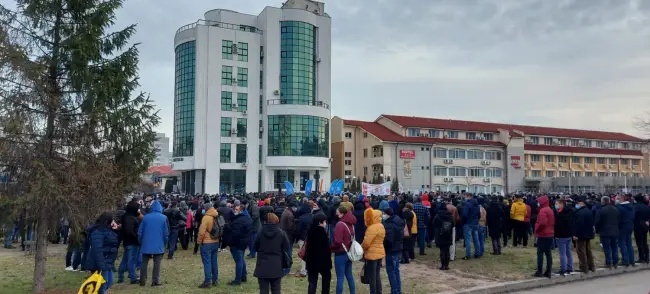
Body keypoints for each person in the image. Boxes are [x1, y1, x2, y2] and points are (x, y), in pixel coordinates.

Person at [254, 212, 290, 294]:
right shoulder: (281, 233)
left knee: (263, 290)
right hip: (276, 264)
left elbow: (255, 247)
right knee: (276, 289)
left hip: (262, 264)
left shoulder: (260, 232)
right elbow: (286, 247)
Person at [138, 200, 169, 287]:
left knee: (144, 262)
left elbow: (140, 232)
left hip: (146, 243)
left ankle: (142, 280)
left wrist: (141, 242)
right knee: (157, 263)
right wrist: (165, 243)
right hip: (159, 243)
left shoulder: (145, 217)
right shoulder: (163, 218)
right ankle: (155, 280)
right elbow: (166, 233)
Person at [88, 212, 120, 294]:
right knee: (102, 285)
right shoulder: (97, 232)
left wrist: (116, 230)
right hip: (101, 262)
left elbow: (115, 242)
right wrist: (101, 265)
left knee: (109, 282)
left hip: (108, 262)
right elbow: (97, 249)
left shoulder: (109, 230)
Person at [330, 206, 356, 294]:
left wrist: (331, 247)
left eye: (337, 212)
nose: (336, 214)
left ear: (342, 213)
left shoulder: (340, 224)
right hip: (349, 252)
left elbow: (338, 241)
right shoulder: (351, 224)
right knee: (349, 276)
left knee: (340, 278)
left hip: (340, 253)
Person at [305, 213, 332, 294]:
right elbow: (326, 249)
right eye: (324, 222)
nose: (325, 223)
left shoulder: (310, 231)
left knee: (312, 281)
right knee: (326, 280)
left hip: (311, 260)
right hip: (323, 261)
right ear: (320, 222)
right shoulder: (322, 233)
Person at [226, 203, 253, 285]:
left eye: (236, 209)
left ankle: (237, 280)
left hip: (237, 243)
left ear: (241, 210)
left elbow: (235, 233)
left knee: (239, 261)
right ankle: (243, 276)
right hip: (244, 242)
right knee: (241, 259)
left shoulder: (238, 220)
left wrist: (230, 241)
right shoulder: (247, 218)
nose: (235, 210)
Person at [361, 208, 386, 294]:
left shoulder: (372, 228)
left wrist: (361, 247)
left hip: (372, 254)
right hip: (380, 252)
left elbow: (367, 243)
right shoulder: (381, 226)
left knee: (372, 276)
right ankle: (379, 291)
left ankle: (373, 291)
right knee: (377, 275)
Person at [197, 203, 220, 288]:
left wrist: (199, 241)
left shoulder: (206, 217)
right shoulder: (217, 215)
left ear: (206, 209)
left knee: (207, 262)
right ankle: (215, 279)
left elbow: (201, 232)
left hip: (207, 242)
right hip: (216, 241)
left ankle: (207, 281)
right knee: (214, 261)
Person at [118, 201, 140, 284]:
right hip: (132, 241)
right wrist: (137, 237)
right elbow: (129, 231)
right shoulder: (130, 218)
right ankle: (133, 278)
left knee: (125, 259)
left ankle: (121, 276)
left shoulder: (126, 216)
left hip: (127, 241)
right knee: (132, 260)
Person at [383, 208, 404, 294]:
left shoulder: (389, 224)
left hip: (391, 250)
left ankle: (395, 291)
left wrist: (384, 246)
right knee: (396, 271)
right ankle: (398, 290)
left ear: (387, 214)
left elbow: (389, 239)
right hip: (398, 248)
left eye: (384, 213)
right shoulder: (398, 221)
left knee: (391, 271)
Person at [533, 195, 555, 278]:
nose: (537, 203)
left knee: (540, 253)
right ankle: (548, 271)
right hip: (550, 234)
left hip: (543, 234)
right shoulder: (549, 210)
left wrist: (537, 230)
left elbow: (542, 223)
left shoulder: (543, 211)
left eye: (538, 202)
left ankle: (539, 271)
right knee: (548, 253)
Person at [595, 196, 619, 269]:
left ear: (602, 202)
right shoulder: (615, 209)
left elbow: (597, 222)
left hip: (605, 232)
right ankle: (615, 262)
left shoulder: (601, 210)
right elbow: (619, 220)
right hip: (615, 231)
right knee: (615, 247)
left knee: (607, 248)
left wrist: (597, 230)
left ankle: (609, 263)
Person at [574, 196, 595, 273]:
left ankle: (583, 267)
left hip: (581, 235)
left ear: (581, 203)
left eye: (577, 203)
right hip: (588, 234)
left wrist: (576, 235)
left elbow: (579, 225)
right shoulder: (589, 211)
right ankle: (591, 266)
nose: (576, 205)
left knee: (581, 250)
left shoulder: (579, 213)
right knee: (588, 250)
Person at [554, 199, 574, 275]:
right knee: (568, 252)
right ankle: (570, 267)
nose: (555, 205)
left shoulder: (560, 214)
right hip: (568, 235)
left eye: (557, 203)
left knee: (562, 253)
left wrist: (556, 234)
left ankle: (563, 268)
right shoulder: (569, 212)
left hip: (561, 235)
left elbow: (558, 226)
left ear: (562, 204)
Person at [616, 195, 635, 267]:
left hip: (622, 227)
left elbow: (619, 219)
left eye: (618, 198)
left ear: (622, 199)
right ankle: (632, 260)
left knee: (622, 243)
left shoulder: (620, 208)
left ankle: (625, 260)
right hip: (630, 226)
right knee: (629, 244)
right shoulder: (631, 207)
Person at [434, 205, 453, 270]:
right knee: (447, 250)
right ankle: (447, 265)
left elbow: (434, 224)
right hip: (448, 234)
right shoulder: (450, 215)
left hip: (440, 234)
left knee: (442, 250)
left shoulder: (438, 215)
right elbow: (453, 224)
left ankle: (443, 265)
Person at [461, 193, 480, 259]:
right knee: (476, 239)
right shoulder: (477, 205)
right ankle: (477, 253)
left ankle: (468, 255)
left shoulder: (467, 204)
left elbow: (464, 215)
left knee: (468, 240)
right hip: (475, 223)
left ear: (468, 196)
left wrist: (463, 222)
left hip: (468, 224)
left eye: (465, 197)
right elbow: (479, 215)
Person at [633, 195, 650, 264]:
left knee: (639, 242)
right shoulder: (647, 207)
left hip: (637, 225)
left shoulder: (635, 207)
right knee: (644, 242)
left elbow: (633, 216)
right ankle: (647, 257)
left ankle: (641, 257)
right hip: (645, 225)